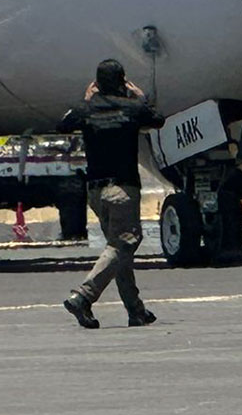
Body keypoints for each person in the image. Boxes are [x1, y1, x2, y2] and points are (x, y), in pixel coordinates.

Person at [58, 60, 165, 329]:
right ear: (123, 82)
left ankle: (136, 310)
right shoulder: (132, 108)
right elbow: (158, 120)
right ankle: (84, 296)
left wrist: (86, 101)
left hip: (95, 190)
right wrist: (140, 98)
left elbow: (62, 124)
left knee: (117, 249)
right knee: (125, 242)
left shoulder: (86, 110)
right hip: (123, 188)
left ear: (95, 84)